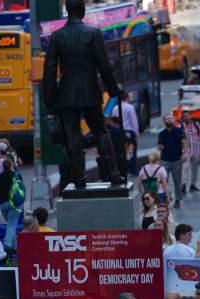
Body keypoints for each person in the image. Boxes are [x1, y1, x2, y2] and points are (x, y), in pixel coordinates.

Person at [42, 0, 123, 189]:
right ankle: (114, 174)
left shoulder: (57, 37)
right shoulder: (93, 34)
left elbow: (50, 71)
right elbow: (104, 65)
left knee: (72, 137)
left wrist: (50, 99)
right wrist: (112, 89)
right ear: (83, 11)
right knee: (101, 131)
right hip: (89, 92)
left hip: (66, 95)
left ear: (68, 11)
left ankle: (78, 179)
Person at [158, 115, 186, 208]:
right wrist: (159, 153)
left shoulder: (179, 131)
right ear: (164, 121)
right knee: (163, 181)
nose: (169, 120)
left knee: (177, 181)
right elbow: (160, 146)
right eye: (167, 118)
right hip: (165, 160)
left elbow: (184, 142)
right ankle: (165, 198)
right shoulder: (162, 133)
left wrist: (184, 153)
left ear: (173, 120)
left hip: (177, 159)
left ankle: (178, 199)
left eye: (170, 118)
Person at [0, 159, 21, 252]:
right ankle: (9, 246)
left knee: (9, 224)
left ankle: (12, 245)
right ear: (11, 165)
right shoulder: (16, 176)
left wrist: (0, 201)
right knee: (12, 225)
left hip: (3, 204)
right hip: (14, 203)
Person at [111, 91, 140, 176]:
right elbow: (133, 121)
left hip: (118, 132)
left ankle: (122, 170)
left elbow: (113, 120)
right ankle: (133, 170)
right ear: (127, 98)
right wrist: (136, 133)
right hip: (128, 132)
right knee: (131, 151)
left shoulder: (115, 108)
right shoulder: (130, 107)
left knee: (120, 151)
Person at [181, 110, 200, 193]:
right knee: (185, 168)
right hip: (186, 151)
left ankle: (193, 185)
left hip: (196, 150)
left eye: (187, 116)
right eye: (184, 116)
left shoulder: (196, 124)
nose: (186, 117)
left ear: (190, 116)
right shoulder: (181, 126)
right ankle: (183, 185)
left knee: (195, 168)